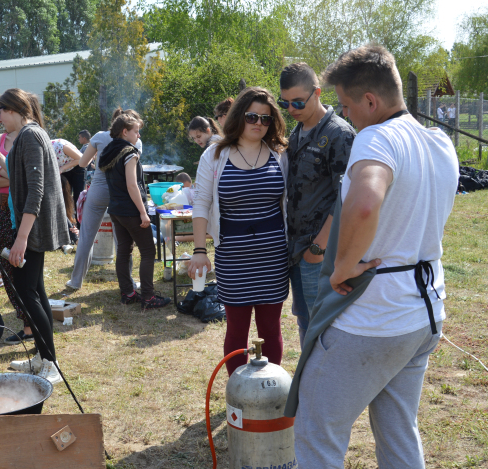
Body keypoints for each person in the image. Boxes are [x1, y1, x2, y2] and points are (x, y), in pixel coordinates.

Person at [287, 44, 458, 468]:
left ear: (370, 100)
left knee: (316, 430)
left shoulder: (377, 138)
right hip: (424, 312)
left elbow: (365, 202)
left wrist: (342, 264)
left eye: (346, 105)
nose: (345, 115)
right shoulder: (439, 142)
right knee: (399, 430)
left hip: (375, 316)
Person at [188, 87, 290, 376]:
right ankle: (238, 390)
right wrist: (199, 251)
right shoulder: (215, 154)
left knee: (271, 328)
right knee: (237, 329)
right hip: (233, 255)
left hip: (273, 256)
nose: (259, 123)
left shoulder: (280, 154)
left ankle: (269, 392)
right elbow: (201, 203)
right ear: (239, 116)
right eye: (252, 116)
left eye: (266, 119)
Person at [0, 88, 69, 383]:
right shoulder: (33, 134)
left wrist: (21, 238)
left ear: (14, 109)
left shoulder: (30, 135)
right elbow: (22, 176)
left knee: (27, 290)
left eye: (0, 112)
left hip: (33, 228)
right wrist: (0, 158)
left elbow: (36, 189)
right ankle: (44, 357)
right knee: (35, 290)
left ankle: (50, 365)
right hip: (33, 226)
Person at [278, 62, 355, 346]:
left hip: (319, 253)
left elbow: (346, 197)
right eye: (284, 102)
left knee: (324, 329)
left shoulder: (339, 134)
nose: (291, 108)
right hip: (297, 250)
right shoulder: (297, 132)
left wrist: (318, 248)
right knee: (306, 324)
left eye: (298, 101)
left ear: (318, 93)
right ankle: (310, 386)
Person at [65, 108, 143, 290]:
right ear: (126, 128)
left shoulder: (100, 136)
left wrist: (95, 157)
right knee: (123, 241)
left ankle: (75, 281)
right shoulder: (136, 141)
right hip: (120, 193)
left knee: (86, 237)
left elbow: (83, 163)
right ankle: (128, 282)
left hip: (98, 190)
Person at [100, 113, 171, 309]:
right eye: (136, 132)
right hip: (131, 210)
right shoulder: (128, 152)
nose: (138, 136)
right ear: (125, 132)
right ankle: (148, 298)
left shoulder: (108, 150)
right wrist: (143, 212)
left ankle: (127, 293)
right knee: (148, 251)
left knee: (124, 250)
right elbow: (132, 185)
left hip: (116, 210)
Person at [0, 94, 32, 345]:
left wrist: (11, 179)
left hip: (23, 211)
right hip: (0, 211)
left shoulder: (30, 137)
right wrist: (15, 181)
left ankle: (31, 324)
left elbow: (34, 184)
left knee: (26, 267)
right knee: (7, 268)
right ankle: (27, 321)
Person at [52, 138, 85, 210]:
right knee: (64, 198)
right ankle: (67, 219)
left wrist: (62, 168)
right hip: (64, 171)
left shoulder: (59, 146)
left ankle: (79, 220)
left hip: (77, 167)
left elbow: (80, 159)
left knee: (78, 197)